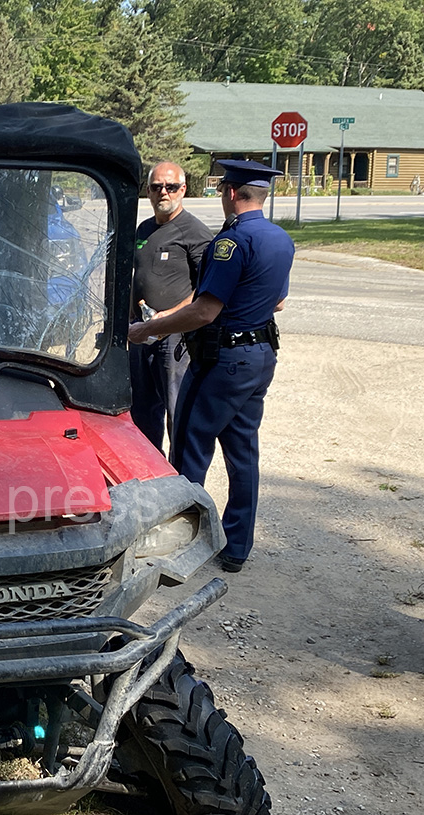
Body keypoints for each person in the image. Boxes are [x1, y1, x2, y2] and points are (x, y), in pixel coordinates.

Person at [128, 159, 295, 573]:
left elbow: (203, 312)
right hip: (260, 355)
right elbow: (277, 301)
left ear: (231, 193)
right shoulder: (280, 239)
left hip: (224, 359)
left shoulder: (230, 242)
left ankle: (180, 543)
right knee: (243, 452)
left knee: (188, 446)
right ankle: (236, 546)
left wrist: (151, 328)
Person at [130, 161, 213, 455]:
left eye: (171, 186)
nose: (163, 192)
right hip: (141, 334)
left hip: (175, 338)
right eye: (156, 187)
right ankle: (150, 471)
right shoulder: (144, 229)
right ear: (148, 191)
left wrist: (172, 315)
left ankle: (181, 479)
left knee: (177, 412)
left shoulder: (195, 232)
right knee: (141, 412)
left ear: (183, 189)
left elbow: (208, 289)